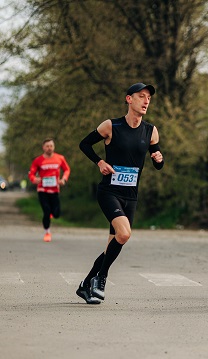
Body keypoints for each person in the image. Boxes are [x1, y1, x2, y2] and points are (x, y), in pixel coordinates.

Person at [76, 82, 164, 305]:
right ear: (129, 99)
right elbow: (84, 144)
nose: (146, 101)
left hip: (131, 196)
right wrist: (100, 162)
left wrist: (159, 159)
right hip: (109, 192)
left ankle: (86, 285)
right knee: (124, 234)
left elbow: (157, 159)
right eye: (141, 96)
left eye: (148, 98)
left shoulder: (151, 131)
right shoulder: (111, 126)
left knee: (112, 244)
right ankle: (101, 279)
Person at [28, 138, 71, 242]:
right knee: (46, 210)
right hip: (42, 190)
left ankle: (51, 214)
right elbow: (31, 173)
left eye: (51, 146)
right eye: (47, 146)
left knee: (56, 214)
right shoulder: (38, 160)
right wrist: (34, 179)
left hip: (55, 190)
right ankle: (47, 232)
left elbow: (67, 169)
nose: (49, 148)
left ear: (54, 147)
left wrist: (63, 179)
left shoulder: (60, 158)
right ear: (43, 147)